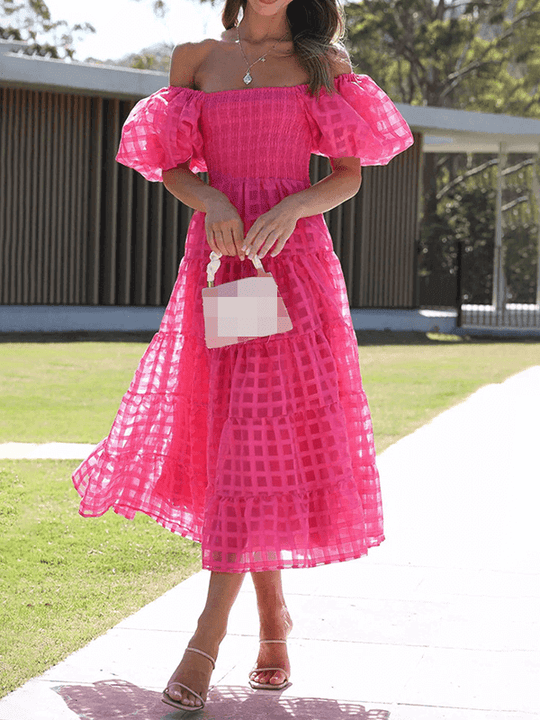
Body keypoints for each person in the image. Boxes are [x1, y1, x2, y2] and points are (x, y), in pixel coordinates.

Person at [71, 0, 414, 712]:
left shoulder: (325, 63)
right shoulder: (197, 57)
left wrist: (293, 207)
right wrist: (213, 202)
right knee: (239, 440)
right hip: (225, 265)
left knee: (257, 437)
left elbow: (347, 175)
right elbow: (169, 168)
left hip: (295, 267)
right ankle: (275, 625)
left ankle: (206, 634)